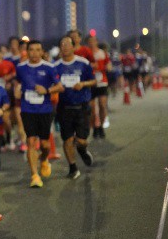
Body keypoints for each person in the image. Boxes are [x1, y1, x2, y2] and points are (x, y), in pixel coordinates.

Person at [15, 41, 62, 188]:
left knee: (45, 144)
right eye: (32, 50)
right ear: (27, 52)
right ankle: (34, 175)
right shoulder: (21, 68)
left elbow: (60, 87)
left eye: (38, 50)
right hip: (28, 109)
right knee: (30, 141)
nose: (34, 53)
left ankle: (43, 160)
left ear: (42, 52)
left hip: (45, 110)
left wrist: (46, 91)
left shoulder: (49, 67)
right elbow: (18, 84)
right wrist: (17, 90)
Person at [54, 36, 96, 179]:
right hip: (64, 107)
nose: (65, 47)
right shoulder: (56, 66)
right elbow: (52, 84)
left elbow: (94, 80)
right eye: (62, 44)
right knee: (67, 139)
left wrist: (83, 84)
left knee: (81, 140)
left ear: (73, 47)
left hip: (81, 106)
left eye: (67, 44)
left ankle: (82, 151)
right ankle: (73, 168)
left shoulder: (83, 63)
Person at [88, 36, 110, 138]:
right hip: (91, 83)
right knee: (92, 108)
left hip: (102, 82)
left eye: (93, 41)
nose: (92, 43)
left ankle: (101, 126)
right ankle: (95, 127)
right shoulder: (86, 54)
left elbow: (109, 65)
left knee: (102, 105)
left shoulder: (102, 53)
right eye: (90, 42)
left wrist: (106, 67)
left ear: (96, 42)